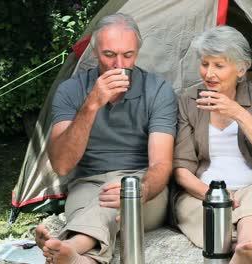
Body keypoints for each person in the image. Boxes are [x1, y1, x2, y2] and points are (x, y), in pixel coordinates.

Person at [35, 13, 177, 264]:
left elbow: (161, 164)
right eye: (109, 55)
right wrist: (92, 104)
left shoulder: (158, 90)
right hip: (88, 185)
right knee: (99, 206)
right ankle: (78, 259)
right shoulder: (71, 90)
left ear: (138, 52)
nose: (119, 64)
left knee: (117, 201)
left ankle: (69, 246)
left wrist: (141, 189)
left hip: (143, 187)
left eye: (128, 55)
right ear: (94, 52)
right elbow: (61, 165)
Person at [172, 26, 252, 264]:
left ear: (241, 69)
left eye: (219, 66)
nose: (209, 73)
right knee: (205, 213)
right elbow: (181, 170)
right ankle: (251, 250)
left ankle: (244, 248)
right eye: (205, 64)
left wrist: (239, 114)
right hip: (202, 194)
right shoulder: (188, 101)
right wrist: (216, 195)